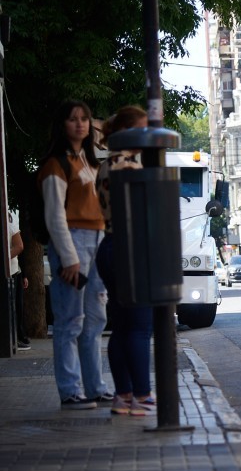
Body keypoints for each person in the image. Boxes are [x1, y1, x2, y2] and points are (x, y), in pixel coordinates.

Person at [39, 99, 111, 409]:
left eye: (85, 118)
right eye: (73, 118)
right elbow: (55, 215)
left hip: (96, 240)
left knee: (95, 319)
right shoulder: (56, 165)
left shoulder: (91, 163)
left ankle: (95, 387)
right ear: (62, 124)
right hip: (72, 241)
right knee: (70, 321)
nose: (81, 124)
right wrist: (69, 257)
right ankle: (70, 391)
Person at [95, 105, 154, 416]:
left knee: (120, 327)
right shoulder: (129, 165)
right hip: (130, 248)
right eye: (142, 129)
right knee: (139, 326)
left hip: (109, 245)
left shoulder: (106, 165)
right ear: (126, 132)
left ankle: (124, 394)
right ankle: (142, 395)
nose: (147, 136)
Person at [7, 210, 30, 350]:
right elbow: (20, 247)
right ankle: (18, 337)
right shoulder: (10, 217)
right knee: (16, 307)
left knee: (15, 307)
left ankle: (18, 337)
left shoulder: (9, 218)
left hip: (14, 269)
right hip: (14, 269)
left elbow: (20, 248)